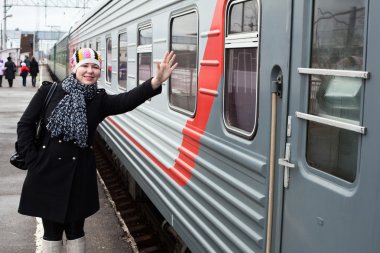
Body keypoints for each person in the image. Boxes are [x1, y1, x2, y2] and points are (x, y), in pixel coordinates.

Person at [16, 48, 177, 253]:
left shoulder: (99, 100)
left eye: (95, 67)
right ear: (74, 67)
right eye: (85, 65)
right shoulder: (49, 92)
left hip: (79, 176)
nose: (90, 71)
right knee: (51, 232)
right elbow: (25, 125)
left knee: (76, 230)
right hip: (46, 171)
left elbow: (126, 100)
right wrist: (32, 159)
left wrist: (155, 82)